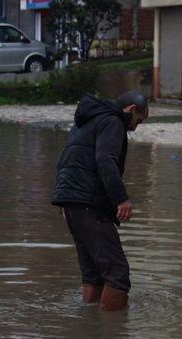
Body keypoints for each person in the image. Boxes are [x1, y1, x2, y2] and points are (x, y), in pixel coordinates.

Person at [52, 91, 149, 311]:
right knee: (117, 273)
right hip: (90, 204)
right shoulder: (113, 122)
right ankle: (111, 329)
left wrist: (64, 201)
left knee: (93, 273)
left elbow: (66, 159)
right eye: (138, 121)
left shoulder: (85, 121)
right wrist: (121, 198)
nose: (135, 127)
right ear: (131, 109)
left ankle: (90, 323)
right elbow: (105, 160)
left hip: (71, 203)